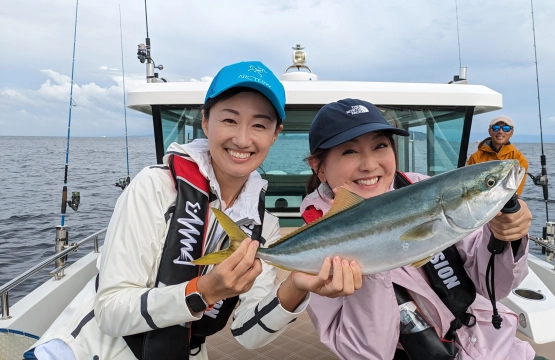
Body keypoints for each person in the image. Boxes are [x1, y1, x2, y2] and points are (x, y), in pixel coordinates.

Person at [28, 61, 356, 360]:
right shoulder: (155, 187)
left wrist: (297, 286)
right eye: (229, 119)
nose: (242, 139)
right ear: (205, 120)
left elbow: (246, 332)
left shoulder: (262, 226)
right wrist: (205, 291)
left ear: (275, 135)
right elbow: (111, 311)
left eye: (259, 125)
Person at [301, 99, 537, 360]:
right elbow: (367, 353)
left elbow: (494, 285)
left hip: (496, 346)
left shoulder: (429, 191)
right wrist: (371, 263)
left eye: (380, 145)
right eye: (349, 151)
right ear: (319, 167)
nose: (369, 165)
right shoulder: (315, 243)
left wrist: (505, 238)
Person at [467, 115, 528, 196]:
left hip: (507, 205)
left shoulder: (519, 159)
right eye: (496, 128)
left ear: (511, 133)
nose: (500, 132)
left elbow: (516, 192)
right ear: (489, 131)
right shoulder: (475, 157)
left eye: (506, 128)